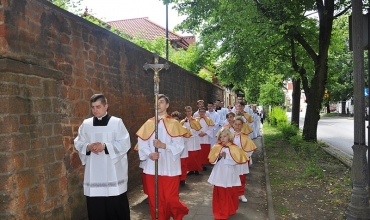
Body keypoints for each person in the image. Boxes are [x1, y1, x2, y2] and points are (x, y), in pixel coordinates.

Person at [74, 94, 131, 220]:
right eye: (93, 107)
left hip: (113, 173)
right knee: (96, 209)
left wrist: (105, 146)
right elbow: (78, 142)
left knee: (115, 206)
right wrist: (88, 146)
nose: (95, 110)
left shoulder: (117, 122)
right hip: (94, 174)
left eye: (98, 107)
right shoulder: (86, 124)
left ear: (106, 106)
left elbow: (125, 143)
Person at [136, 94, 189, 220]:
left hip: (169, 167)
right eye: (156, 102)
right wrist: (150, 153)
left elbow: (179, 146)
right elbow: (142, 143)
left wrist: (163, 145)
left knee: (171, 199)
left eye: (161, 102)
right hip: (151, 167)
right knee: (155, 201)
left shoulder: (174, 124)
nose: (158, 105)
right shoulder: (148, 123)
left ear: (167, 105)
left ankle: (178, 213)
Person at [208, 128, 249, 220]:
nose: (222, 138)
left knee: (230, 191)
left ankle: (230, 209)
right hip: (219, 173)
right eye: (221, 137)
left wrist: (226, 157)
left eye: (225, 136)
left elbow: (236, 161)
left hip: (229, 173)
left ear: (229, 137)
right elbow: (212, 160)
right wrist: (218, 156)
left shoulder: (234, 148)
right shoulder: (216, 147)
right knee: (221, 192)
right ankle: (222, 210)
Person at [233, 116, 257, 203]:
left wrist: (244, 156)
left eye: (239, 124)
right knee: (233, 177)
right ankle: (234, 193)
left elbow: (250, 150)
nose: (237, 126)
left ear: (242, 125)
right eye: (235, 124)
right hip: (232, 161)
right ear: (233, 125)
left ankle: (241, 193)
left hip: (242, 161)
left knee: (242, 178)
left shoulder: (246, 137)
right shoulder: (230, 136)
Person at [171, 110, 192, 186]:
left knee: (183, 165)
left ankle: (182, 179)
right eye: (173, 119)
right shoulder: (169, 129)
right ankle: (176, 179)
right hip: (174, 151)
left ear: (179, 120)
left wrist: (180, 140)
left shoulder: (184, 128)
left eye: (176, 119)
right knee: (176, 165)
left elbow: (187, 138)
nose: (175, 121)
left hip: (183, 150)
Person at [180, 106, 203, 176]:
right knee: (189, 156)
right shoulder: (182, 122)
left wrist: (191, 131)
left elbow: (199, 131)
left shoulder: (196, 121)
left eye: (189, 111)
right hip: (187, 141)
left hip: (194, 140)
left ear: (192, 112)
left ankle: (196, 169)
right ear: (185, 112)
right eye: (187, 111)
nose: (188, 113)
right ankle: (190, 170)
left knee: (195, 155)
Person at [196, 106, 215, 171]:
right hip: (198, 137)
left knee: (205, 151)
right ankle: (199, 164)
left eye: (203, 111)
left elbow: (211, 128)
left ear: (205, 112)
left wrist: (205, 133)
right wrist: (198, 133)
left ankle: (204, 164)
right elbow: (194, 127)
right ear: (198, 112)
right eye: (200, 111)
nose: (202, 113)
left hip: (206, 138)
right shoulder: (195, 119)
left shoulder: (208, 119)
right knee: (199, 151)